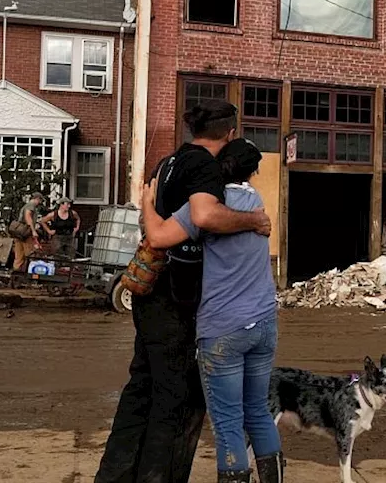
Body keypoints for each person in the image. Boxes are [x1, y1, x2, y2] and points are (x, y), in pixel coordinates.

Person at [95, 100, 272, 483]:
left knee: (140, 391)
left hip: (150, 297)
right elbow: (205, 215)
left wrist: (145, 206)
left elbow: (157, 225)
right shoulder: (204, 167)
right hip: (178, 302)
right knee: (176, 403)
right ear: (229, 134)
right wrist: (252, 221)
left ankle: (114, 476)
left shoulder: (169, 162)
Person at [141, 138, 282, 483]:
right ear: (253, 170)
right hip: (264, 323)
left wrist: (147, 204)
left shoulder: (205, 208)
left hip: (223, 329)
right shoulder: (256, 204)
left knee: (228, 421)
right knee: (258, 412)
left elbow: (158, 237)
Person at [12, 192, 44, 272]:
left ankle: (16, 273)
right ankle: (30, 273)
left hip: (19, 234)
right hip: (26, 234)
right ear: (37, 199)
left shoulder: (25, 206)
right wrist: (33, 231)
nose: (40, 203)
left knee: (19, 255)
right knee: (30, 254)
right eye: (40, 200)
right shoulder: (31, 206)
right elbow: (28, 216)